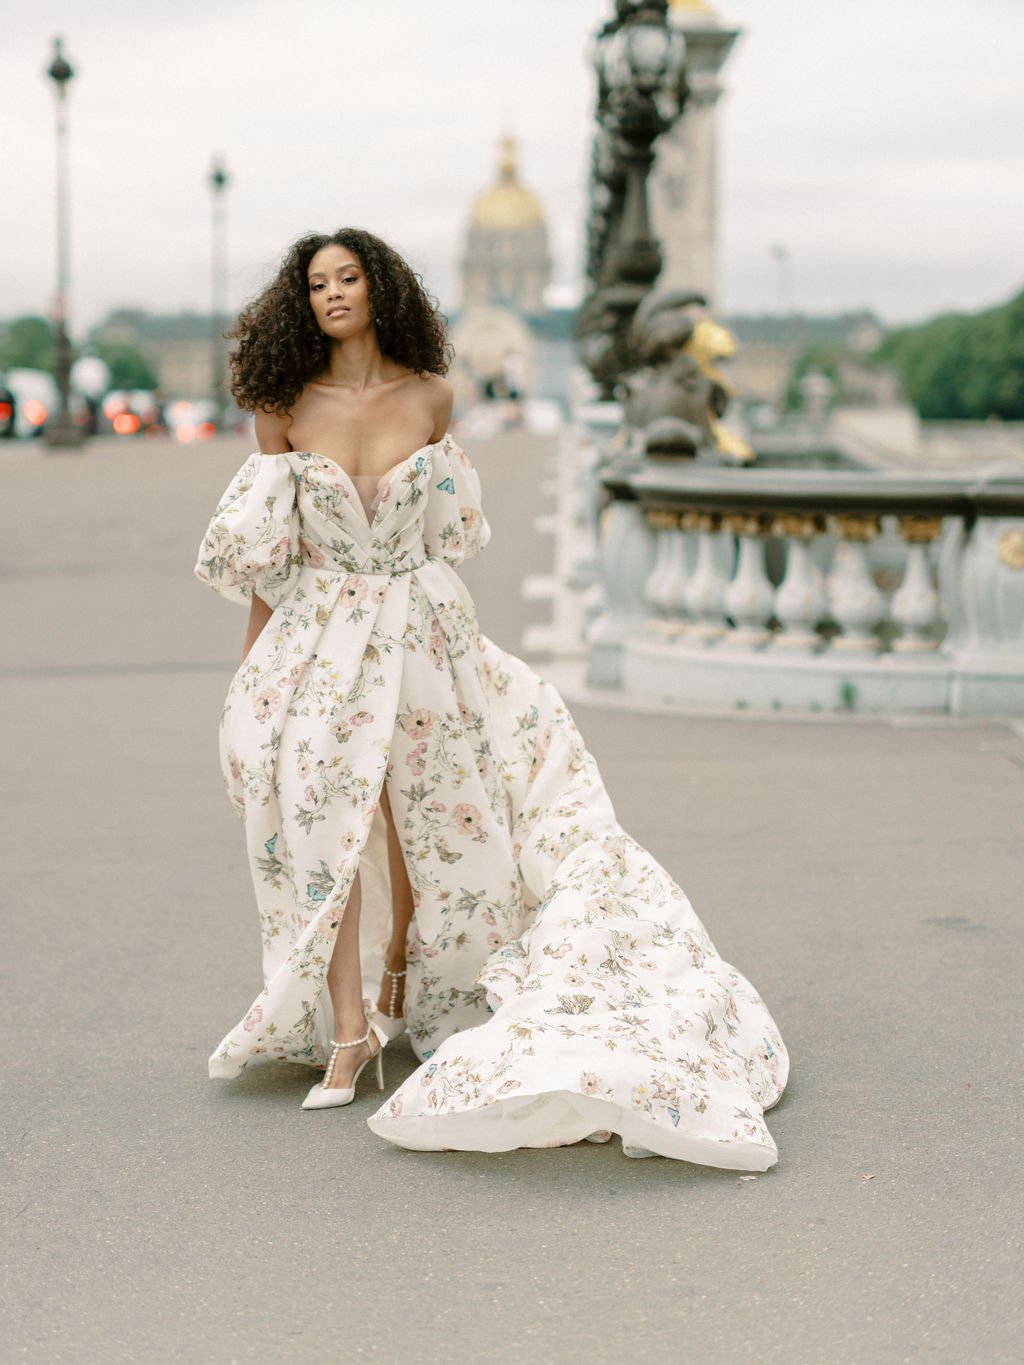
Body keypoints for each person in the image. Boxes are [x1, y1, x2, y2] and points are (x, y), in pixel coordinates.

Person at [195, 228, 789, 1167]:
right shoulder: (280, 405)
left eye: (349, 278)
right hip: (316, 634)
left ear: (380, 289)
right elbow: (271, 558)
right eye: (317, 284)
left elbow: (444, 535)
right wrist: (251, 673)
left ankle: (404, 970)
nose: (334, 295)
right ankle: (348, 1025)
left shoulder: (432, 395)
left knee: (414, 807)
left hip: (422, 627)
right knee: (324, 818)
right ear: (300, 302)